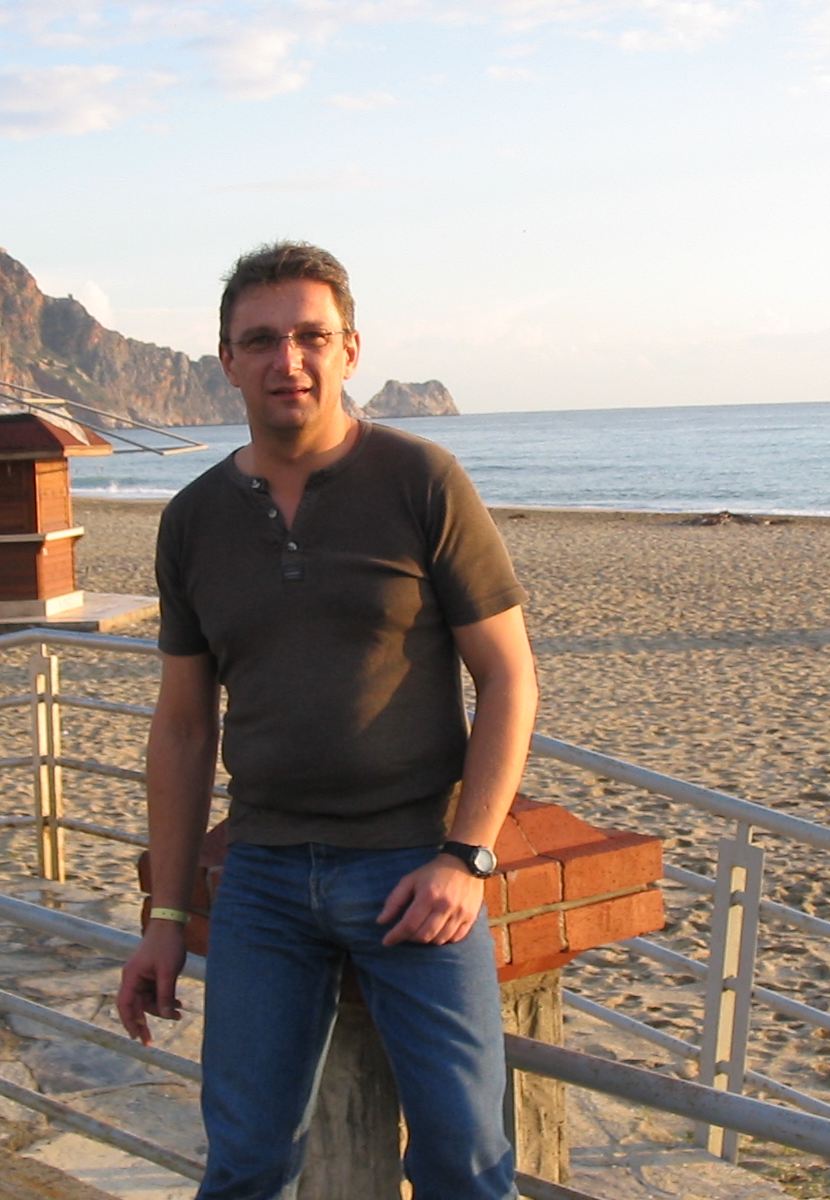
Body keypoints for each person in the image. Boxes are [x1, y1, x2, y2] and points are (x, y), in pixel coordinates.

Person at [116, 241, 539, 1200]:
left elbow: (509, 677)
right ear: (228, 361)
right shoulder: (193, 520)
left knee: (466, 1163)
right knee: (245, 1164)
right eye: (261, 340)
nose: (288, 360)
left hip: (412, 867)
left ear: (350, 349)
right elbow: (183, 730)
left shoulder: (422, 481)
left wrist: (467, 857)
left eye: (311, 336)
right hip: (263, 878)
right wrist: (166, 919)